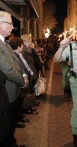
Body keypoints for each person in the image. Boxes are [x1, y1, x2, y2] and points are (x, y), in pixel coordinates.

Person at [0, 11, 28, 147]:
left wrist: (23, 74)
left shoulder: (5, 41)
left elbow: (16, 62)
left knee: (10, 124)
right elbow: (7, 68)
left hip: (13, 89)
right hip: (6, 92)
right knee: (5, 126)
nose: (13, 27)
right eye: (10, 23)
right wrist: (22, 81)